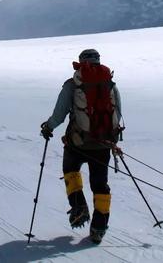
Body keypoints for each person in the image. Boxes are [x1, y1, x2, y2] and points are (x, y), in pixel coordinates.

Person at [40, 48, 123, 244]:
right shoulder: (110, 85)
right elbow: (117, 114)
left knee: (70, 170)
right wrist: (111, 140)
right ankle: (99, 228)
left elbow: (59, 114)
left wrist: (48, 127)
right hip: (102, 144)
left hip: (77, 142)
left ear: (81, 62)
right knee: (100, 184)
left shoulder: (73, 84)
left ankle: (79, 207)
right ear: (98, 61)